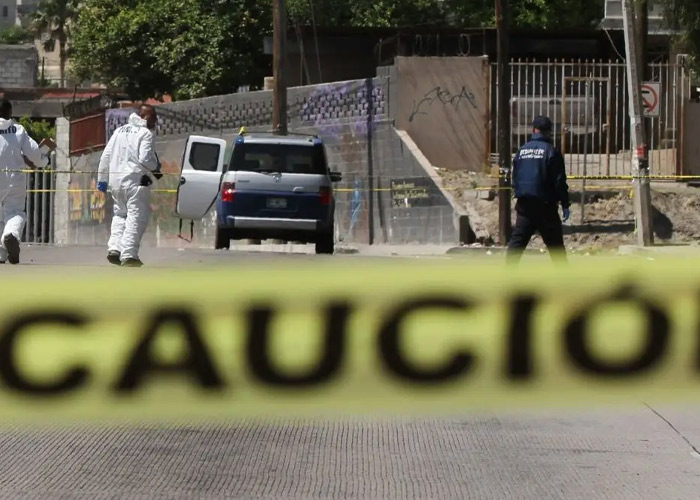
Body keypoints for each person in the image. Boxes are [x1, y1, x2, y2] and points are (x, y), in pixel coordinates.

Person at [97, 104, 162, 267]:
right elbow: (145, 160)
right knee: (136, 217)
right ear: (146, 117)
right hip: (135, 182)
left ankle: (114, 248)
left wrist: (102, 180)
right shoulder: (145, 133)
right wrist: (157, 167)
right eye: (154, 118)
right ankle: (129, 254)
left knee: (120, 215)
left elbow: (106, 156)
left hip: (116, 182)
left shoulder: (119, 131)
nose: (155, 121)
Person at [506, 116, 570, 263]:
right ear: (549, 132)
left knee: (516, 245)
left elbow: (515, 177)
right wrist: (565, 204)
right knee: (556, 248)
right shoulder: (552, 151)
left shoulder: (521, 151)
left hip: (525, 206)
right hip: (545, 207)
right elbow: (559, 181)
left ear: (533, 130)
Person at [0, 98, 54, 264]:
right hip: (14, 180)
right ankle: (11, 236)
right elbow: (35, 154)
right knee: (15, 213)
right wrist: (44, 161)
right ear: (9, 113)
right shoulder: (18, 129)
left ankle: (2, 253)